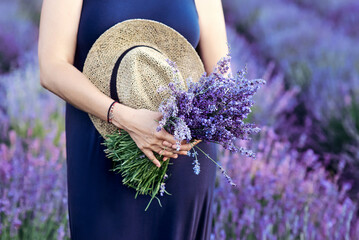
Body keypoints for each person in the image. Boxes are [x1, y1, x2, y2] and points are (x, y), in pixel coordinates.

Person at [38, 0, 229, 239]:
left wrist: (183, 130)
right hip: (104, 151)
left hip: (179, 155)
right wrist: (124, 117)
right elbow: (51, 67)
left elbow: (222, 77)